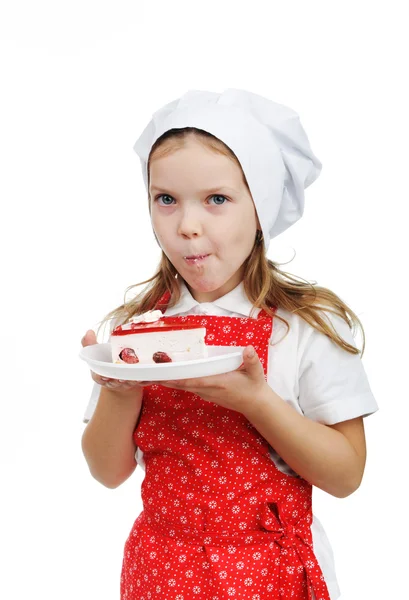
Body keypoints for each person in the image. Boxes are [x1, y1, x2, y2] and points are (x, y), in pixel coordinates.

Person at [81, 88, 379, 600]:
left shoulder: (304, 326)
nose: (187, 226)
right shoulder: (139, 326)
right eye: (166, 200)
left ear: (259, 209)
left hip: (269, 574)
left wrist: (257, 402)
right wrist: (120, 388)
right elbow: (108, 472)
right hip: (160, 570)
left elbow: (346, 474)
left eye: (216, 200)